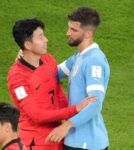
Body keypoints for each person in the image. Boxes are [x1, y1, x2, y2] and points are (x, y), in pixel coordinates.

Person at [7, 18, 96, 150]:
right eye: (40, 37)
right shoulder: (17, 78)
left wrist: (72, 119)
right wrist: (75, 108)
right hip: (35, 143)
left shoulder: (48, 60)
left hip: (58, 137)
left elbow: (58, 94)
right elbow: (36, 115)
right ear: (28, 45)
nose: (46, 40)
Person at [46, 7, 110, 150]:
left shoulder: (94, 61)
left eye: (73, 30)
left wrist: (66, 125)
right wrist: (26, 58)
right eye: (69, 28)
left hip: (87, 143)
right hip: (75, 140)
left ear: (88, 33)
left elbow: (95, 103)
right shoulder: (78, 57)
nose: (67, 33)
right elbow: (52, 74)